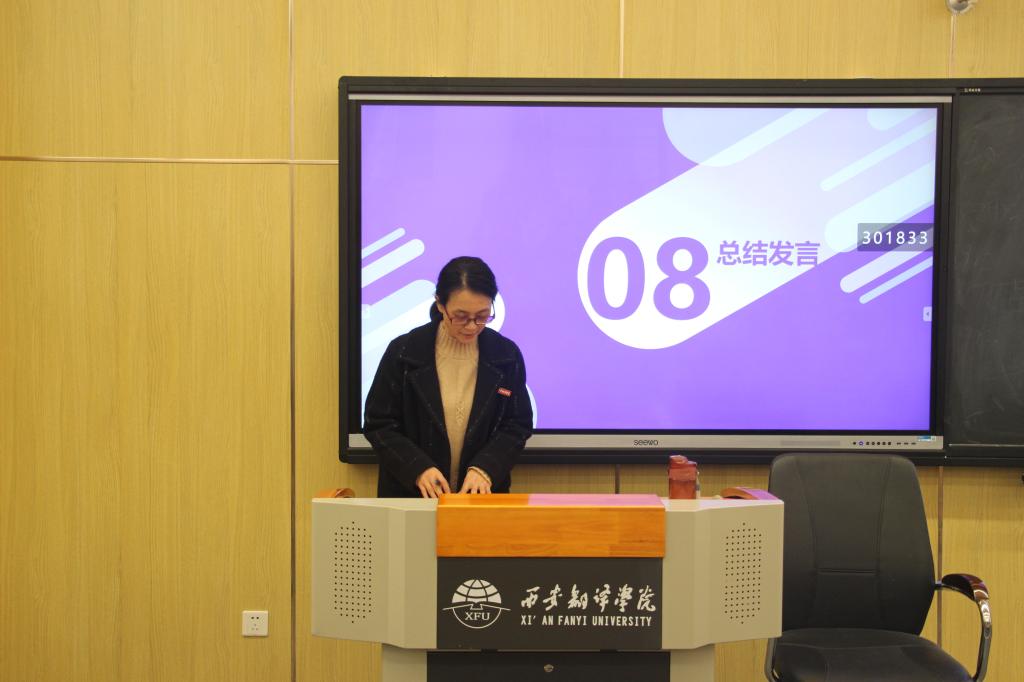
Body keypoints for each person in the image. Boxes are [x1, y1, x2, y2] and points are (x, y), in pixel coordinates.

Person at [364, 256, 533, 498]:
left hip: (481, 497)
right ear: (440, 304)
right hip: (411, 496)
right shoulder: (404, 352)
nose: (472, 326)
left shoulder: (505, 356)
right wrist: (417, 468)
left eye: (482, 315)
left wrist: (486, 468)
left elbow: (517, 424)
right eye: (461, 316)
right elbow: (379, 424)